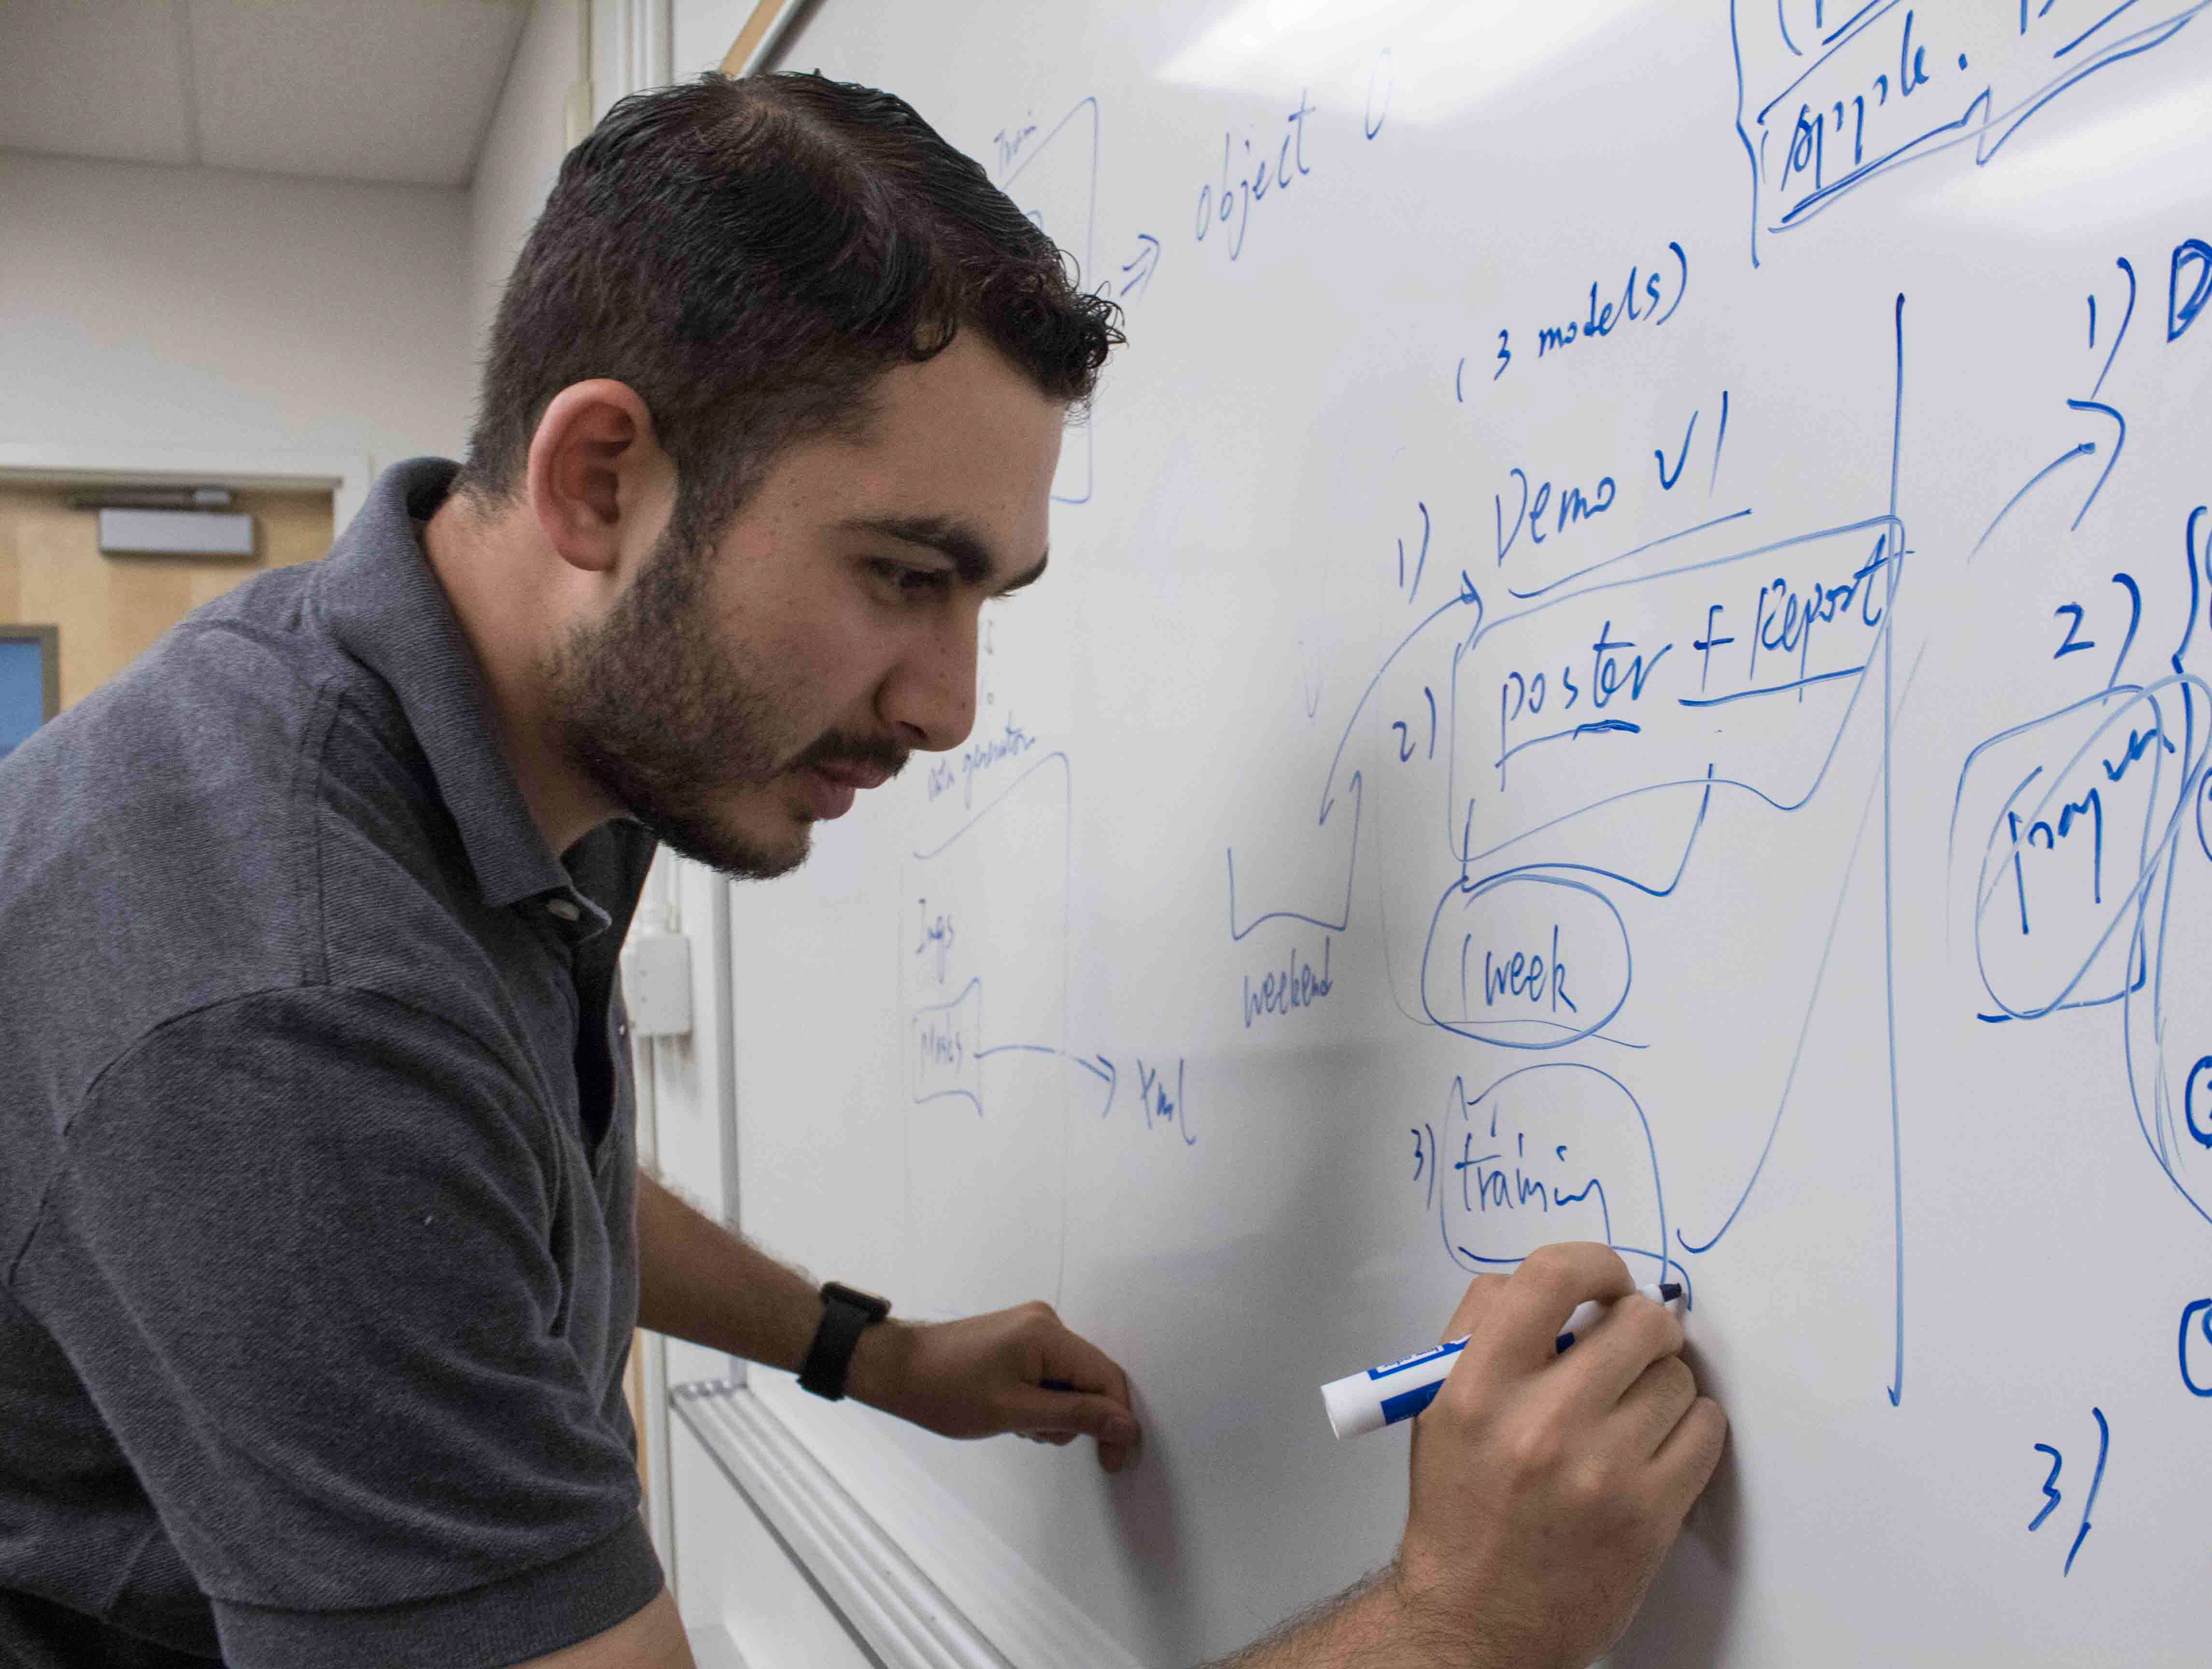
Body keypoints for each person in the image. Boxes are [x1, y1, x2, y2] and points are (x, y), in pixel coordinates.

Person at [0, 72, 1724, 1669]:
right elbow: (386, 1135)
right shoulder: (283, 1017)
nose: (952, 707)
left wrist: (864, 1350)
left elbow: (517, 1150)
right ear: (602, 479)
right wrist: (1459, 1623)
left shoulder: (492, 720)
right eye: (904, 574)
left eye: (989, 600)